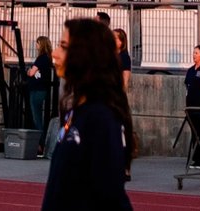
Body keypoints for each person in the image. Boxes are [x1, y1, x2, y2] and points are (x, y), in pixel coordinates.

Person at [41, 17, 134, 211]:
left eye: (63, 46)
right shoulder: (73, 112)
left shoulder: (101, 118)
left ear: (85, 55)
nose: (55, 54)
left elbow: (111, 196)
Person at [25, 35, 57, 148]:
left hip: (36, 90)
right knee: (38, 116)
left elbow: (31, 73)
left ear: (41, 44)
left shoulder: (41, 58)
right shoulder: (47, 58)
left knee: (36, 117)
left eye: (38, 43)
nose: (36, 45)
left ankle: (40, 143)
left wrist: (29, 71)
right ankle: (41, 143)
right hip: (42, 89)